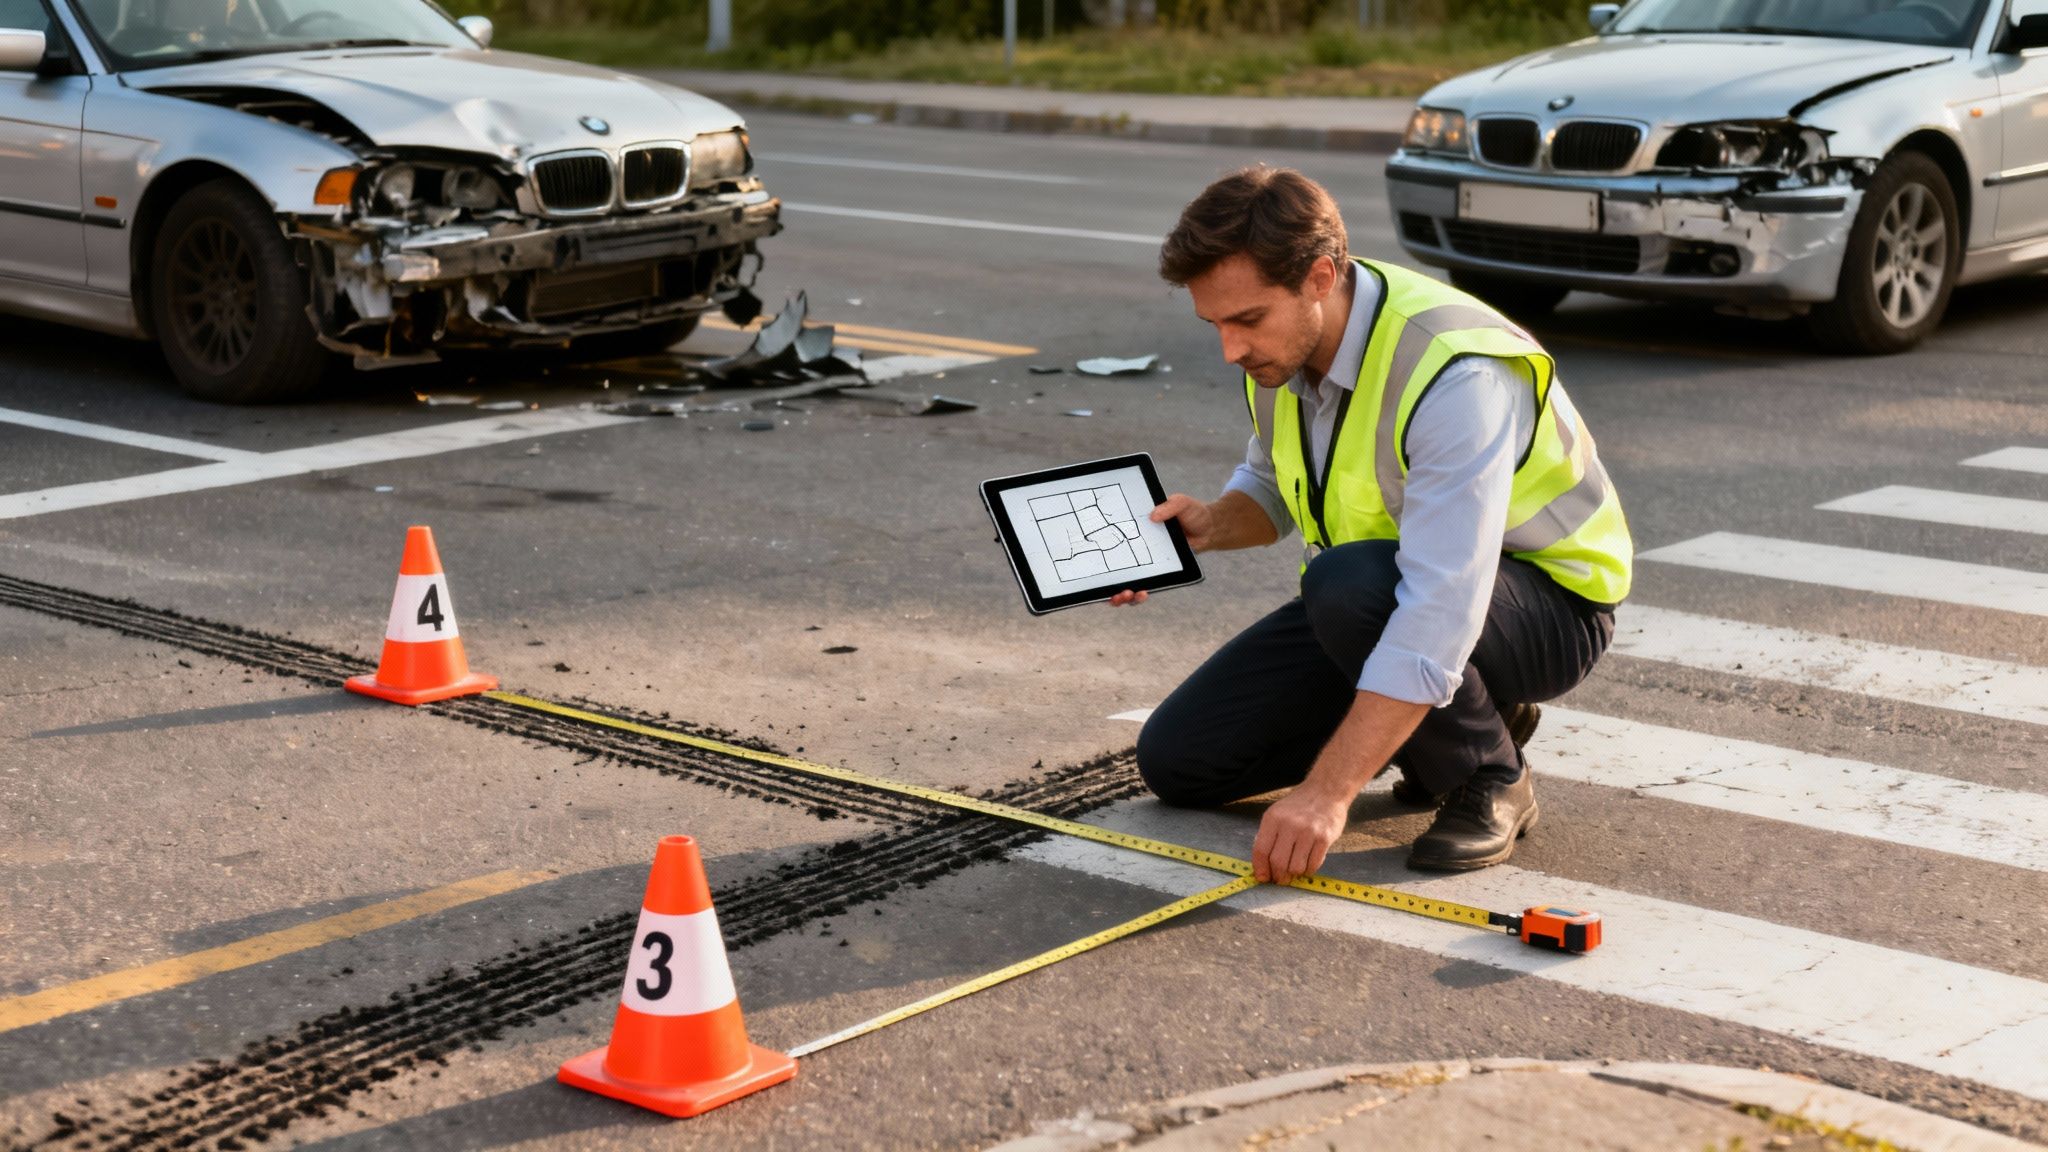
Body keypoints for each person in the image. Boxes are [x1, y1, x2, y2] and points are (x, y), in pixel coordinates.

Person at [1116, 166, 1632, 885]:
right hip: (1373, 598)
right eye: (1216, 324)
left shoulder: (1458, 373)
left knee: (1348, 583)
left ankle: (1489, 772)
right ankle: (1455, 719)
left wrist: (1328, 795)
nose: (1230, 349)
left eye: (1247, 320)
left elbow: (1441, 605)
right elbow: (1275, 485)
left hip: (1545, 609)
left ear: (1320, 278)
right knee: (1182, 761)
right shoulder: (1285, 346)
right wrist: (1205, 525)